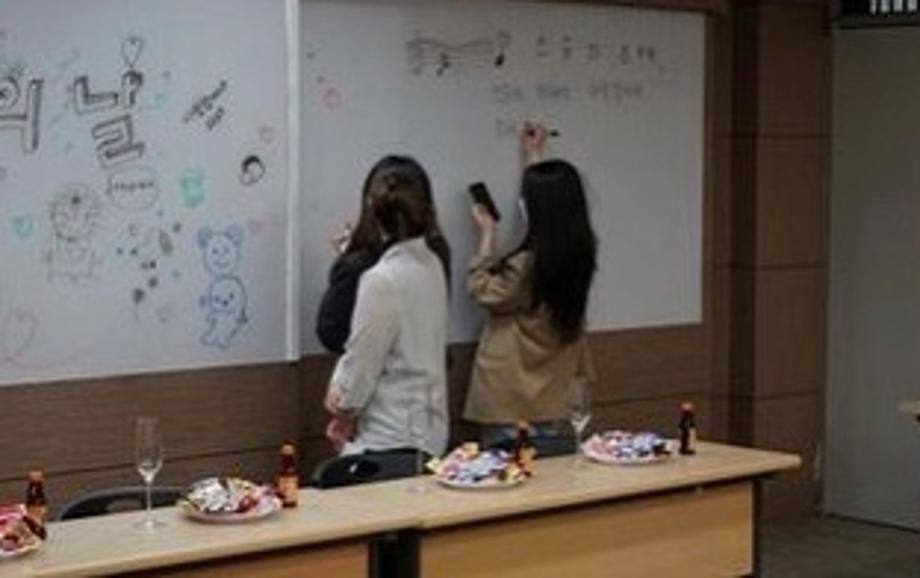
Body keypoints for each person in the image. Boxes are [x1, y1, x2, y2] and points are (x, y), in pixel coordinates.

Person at [463, 122, 598, 449]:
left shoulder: (525, 266)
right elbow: (549, 210)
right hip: (552, 394)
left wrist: (487, 236)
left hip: (510, 399)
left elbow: (482, 290)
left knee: (512, 470)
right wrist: (535, 156)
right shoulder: (579, 252)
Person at [324, 157, 449, 457]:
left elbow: (362, 360)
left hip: (388, 436)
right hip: (431, 431)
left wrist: (342, 407)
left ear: (373, 212)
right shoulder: (433, 263)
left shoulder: (381, 280)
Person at [315, 156, 451, 354]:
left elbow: (332, 334)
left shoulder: (358, 267)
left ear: (371, 206)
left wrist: (347, 261)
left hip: (379, 370)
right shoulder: (437, 252)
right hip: (431, 366)